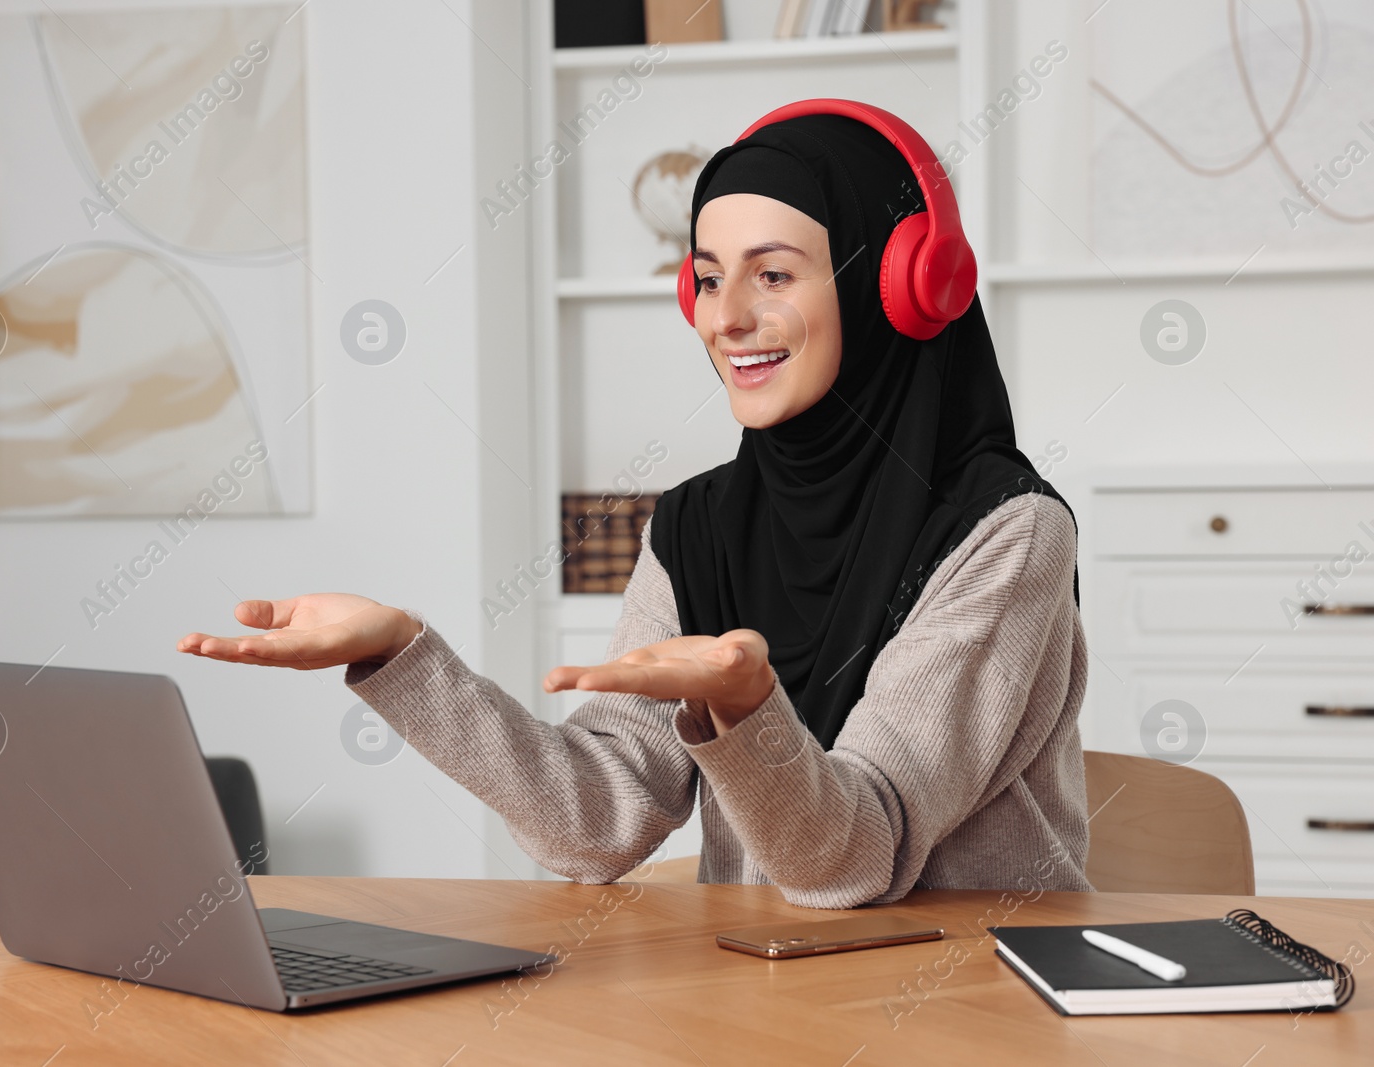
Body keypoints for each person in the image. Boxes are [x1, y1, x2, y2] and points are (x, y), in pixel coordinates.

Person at [178, 106, 1091, 909]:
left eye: (772, 276)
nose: (724, 316)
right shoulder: (697, 529)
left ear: (899, 284)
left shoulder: (1007, 532)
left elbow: (853, 857)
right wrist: (403, 657)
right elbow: (601, 821)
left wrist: (744, 706)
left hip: (970, 1003)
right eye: (706, 275)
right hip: (769, 1000)